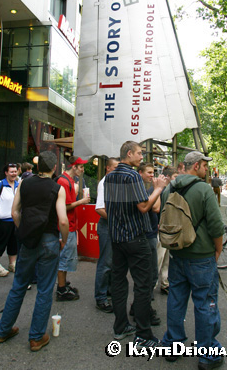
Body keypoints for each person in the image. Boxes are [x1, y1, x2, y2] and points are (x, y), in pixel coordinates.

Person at [0, 151, 69, 352]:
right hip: (49, 240)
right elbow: (63, 220)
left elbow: (14, 212)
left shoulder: (24, 183)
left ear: (37, 168)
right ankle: (36, 337)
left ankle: (3, 331)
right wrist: (64, 239)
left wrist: (21, 231)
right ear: (55, 168)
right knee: (45, 289)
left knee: (19, 284)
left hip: (28, 240)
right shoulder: (57, 188)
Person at [162, 151, 224, 370]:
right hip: (201, 258)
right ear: (196, 166)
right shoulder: (204, 189)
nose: (207, 170)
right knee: (205, 303)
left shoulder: (169, 188)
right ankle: (207, 354)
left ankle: (173, 344)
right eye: (205, 166)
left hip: (177, 255)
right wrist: (218, 249)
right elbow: (217, 226)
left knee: (176, 299)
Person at [104, 141, 167, 348]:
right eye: (139, 153)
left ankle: (120, 326)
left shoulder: (110, 176)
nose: (142, 156)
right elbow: (143, 207)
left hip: (117, 238)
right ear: (129, 154)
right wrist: (157, 189)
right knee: (143, 284)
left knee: (119, 282)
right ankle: (143, 335)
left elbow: (115, 207)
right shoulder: (132, 176)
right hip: (135, 238)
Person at [56, 156, 91, 301]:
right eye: (81, 167)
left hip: (70, 224)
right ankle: (61, 289)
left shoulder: (69, 181)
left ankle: (63, 284)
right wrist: (81, 201)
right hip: (66, 226)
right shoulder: (63, 181)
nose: (82, 170)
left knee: (67, 256)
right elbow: (63, 206)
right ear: (74, 167)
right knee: (64, 257)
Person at [135, 162, 160, 325]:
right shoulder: (142, 189)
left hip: (150, 233)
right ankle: (143, 310)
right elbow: (156, 207)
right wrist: (157, 189)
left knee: (150, 274)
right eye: (149, 172)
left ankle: (139, 307)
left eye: (153, 172)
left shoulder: (147, 188)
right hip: (146, 235)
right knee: (148, 275)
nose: (152, 175)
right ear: (140, 173)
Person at [94, 157, 119, 313]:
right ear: (108, 168)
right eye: (115, 167)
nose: (117, 170)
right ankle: (101, 297)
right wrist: (117, 219)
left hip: (113, 226)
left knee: (112, 262)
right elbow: (99, 208)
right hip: (107, 226)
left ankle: (108, 290)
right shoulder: (105, 183)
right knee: (105, 263)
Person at [0, 163, 19, 276]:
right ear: (6, 173)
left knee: (13, 243)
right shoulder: (0, 184)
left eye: (15, 171)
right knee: (0, 242)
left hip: (14, 220)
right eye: (11, 171)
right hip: (2, 220)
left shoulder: (18, 185)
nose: (14, 174)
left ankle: (12, 263)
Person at [157, 166, 178, 296]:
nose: (177, 180)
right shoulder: (162, 190)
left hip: (166, 229)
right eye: (175, 177)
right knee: (159, 259)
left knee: (165, 259)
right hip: (161, 230)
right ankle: (152, 286)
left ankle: (165, 282)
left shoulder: (168, 190)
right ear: (168, 177)